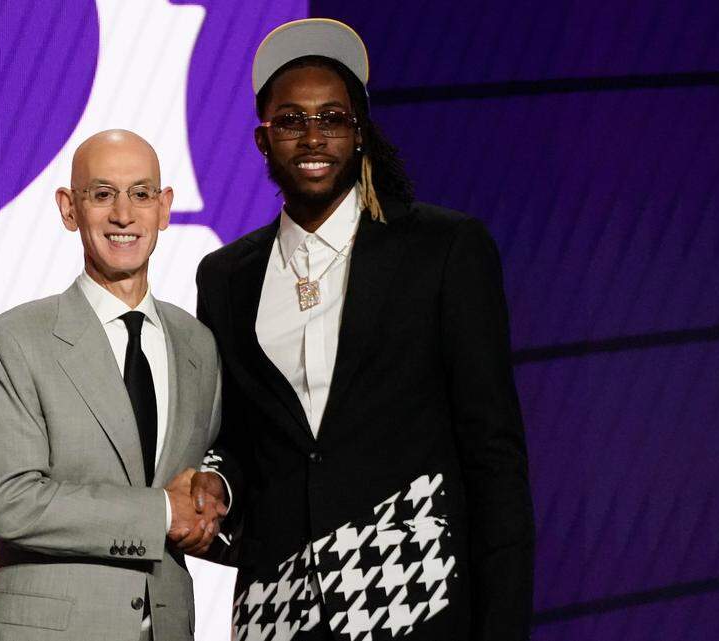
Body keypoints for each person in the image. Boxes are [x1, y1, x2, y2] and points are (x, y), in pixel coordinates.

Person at [191, 19, 535, 640]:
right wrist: (215, 479)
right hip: (278, 607)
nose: (313, 136)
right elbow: (239, 439)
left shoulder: (444, 249)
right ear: (263, 140)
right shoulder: (225, 277)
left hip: (413, 597)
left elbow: (494, 456)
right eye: (291, 121)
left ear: (360, 134)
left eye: (334, 118)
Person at [0, 130, 226, 641]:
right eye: (103, 193)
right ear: (69, 209)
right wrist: (159, 513)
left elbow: (208, 467)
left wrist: (215, 496)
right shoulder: (14, 339)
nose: (123, 215)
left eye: (140, 193)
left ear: (165, 207)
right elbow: (12, 501)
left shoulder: (197, 344)